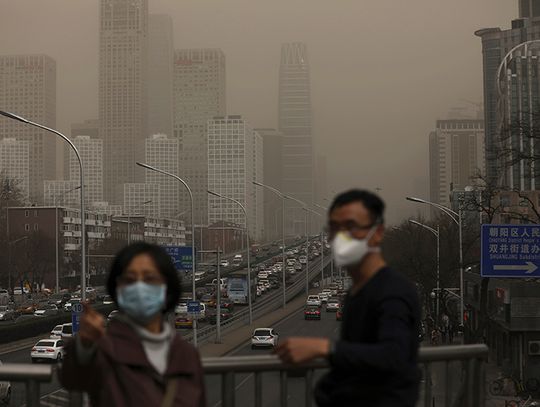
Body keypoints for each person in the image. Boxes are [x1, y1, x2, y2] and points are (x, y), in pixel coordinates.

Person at [275, 189, 421, 407]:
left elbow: (394, 356)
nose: (342, 237)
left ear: (378, 232)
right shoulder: (357, 292)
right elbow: (355, 363)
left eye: (352, 227)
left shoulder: (393, 292)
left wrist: (323, 348)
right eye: (335, 229)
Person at [60, 242, 206, 407]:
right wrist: (85, 344)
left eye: (149, 278)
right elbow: (72, 378)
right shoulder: (105, 351)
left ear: (167, 287)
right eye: (130, 280)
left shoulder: (186, 355)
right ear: (118, 288)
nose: (140, 287)